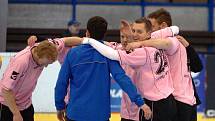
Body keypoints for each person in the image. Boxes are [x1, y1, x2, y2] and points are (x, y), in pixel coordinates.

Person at [54, 16, 152, 121]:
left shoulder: (73, 53)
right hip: (100, 116)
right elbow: (122, 78)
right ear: (105, 34)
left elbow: (61, 83)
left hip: (75, 114)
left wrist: (60, 106)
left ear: (87, 33)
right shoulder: (108, 54)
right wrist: (140, 102)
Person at [82, 17, 178, 121]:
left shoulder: (141, 52)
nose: (135, 34)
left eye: (139, 32)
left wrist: (89, 41)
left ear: (149, 33)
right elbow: (175, 29)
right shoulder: (156, 41)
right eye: (133, 31)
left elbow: (113, 54)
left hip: (156, 104)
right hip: (168, 100)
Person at [126, 8, 202, 121]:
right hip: (187, 100)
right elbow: (198, 66)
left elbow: (166, 43)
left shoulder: (171, 41)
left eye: (151, 26)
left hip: (178, 100)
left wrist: (139, 43)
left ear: (163, 26)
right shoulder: (174, 43)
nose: (150, 30)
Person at [0, 41, 58, 121]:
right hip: (8, 106)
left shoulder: (43, 49)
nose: (46, 66)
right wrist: (16, 113)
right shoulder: (21, 62)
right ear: (39, 56)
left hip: (26, 105)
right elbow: (6, 90)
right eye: (46, 63)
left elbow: (63, 41)